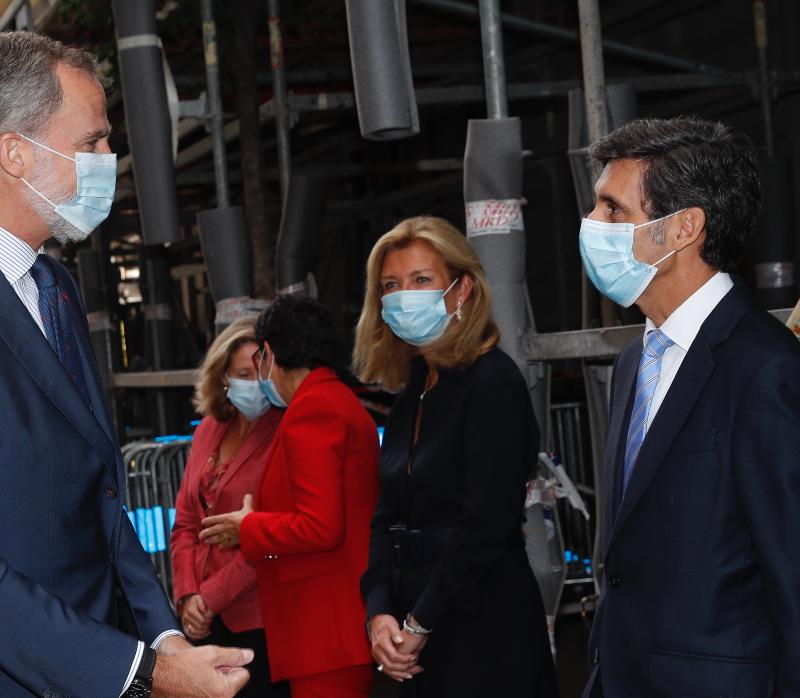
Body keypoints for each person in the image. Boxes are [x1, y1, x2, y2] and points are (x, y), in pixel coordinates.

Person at [0, 31, 251, 698]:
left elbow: (98, 498)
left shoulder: (54, 289)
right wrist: (145, 675)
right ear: (14, 152)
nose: (111, 159)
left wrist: (163, 638)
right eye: (92, 142)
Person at [579, 118, 800, 696]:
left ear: (683, 228)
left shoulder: (766, 369)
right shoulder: (634, 361)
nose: (592, 225)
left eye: (613, 210)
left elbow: (792, 573)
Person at [352, 216, 558, 696]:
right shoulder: (411, 395)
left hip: (481, 621)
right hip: (410, 629)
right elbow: (385, 520)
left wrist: (419, 623)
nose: (405, 294)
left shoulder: (494, 383)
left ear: (462, 289)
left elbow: (484, 526)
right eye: (391, 285)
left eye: (421, 280)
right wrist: (378, 612)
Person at [201, 296, 379, 698]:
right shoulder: (333, 400)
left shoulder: (313, 409)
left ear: (268, 354)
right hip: (333, 626)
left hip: (324, 629)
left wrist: (248, 526)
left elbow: (320, 526)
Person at [170, 318, 288, 698]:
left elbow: (271, 532)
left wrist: (210, 599)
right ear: (223, 376)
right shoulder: (208, 428)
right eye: (242, 373)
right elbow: (186, 522)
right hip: (202, 620)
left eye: (261, 371)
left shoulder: (285, 430)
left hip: (259, 618)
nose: (255, 382)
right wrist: (188, 596)